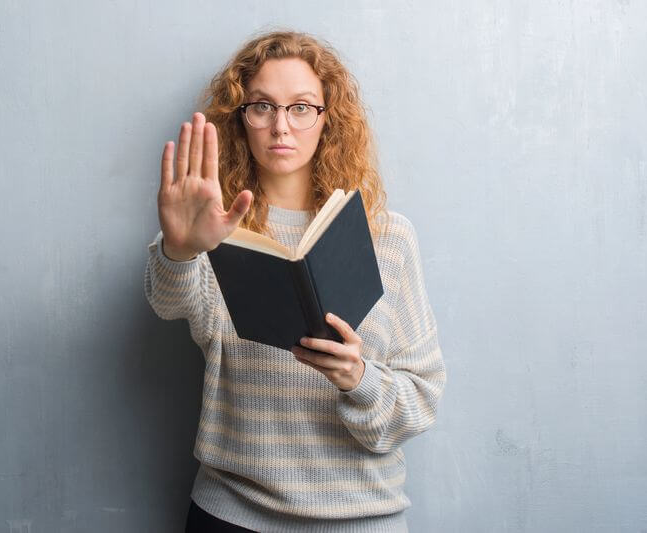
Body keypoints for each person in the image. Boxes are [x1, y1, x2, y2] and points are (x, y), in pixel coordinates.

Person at [143, 30, 446, 533]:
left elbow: (421, 398)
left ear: (329, 117)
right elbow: (169, 304)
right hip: (232, 512)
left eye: (302, 107)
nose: (281, 126)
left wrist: (360, 380)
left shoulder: (388, 237)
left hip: (361, 517)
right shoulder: (213, 224)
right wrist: (180, 248)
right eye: (262, 106)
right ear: (241, 117)